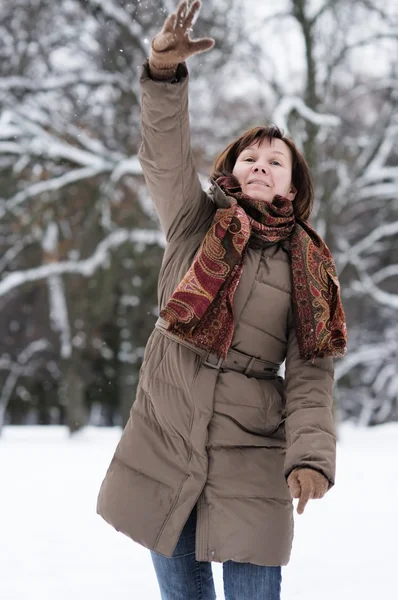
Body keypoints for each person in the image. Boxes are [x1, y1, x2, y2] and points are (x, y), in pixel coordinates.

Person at [97, 2, 347, 599]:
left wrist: (311, 456)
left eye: (275, 161)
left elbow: (312, 370)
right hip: (167, 435)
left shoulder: (309, 266)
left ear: (293, 185)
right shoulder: (195, 220)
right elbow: (162, 154)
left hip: (252, 451)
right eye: (249, 157)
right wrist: (163, 75)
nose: (260, 166)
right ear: (232, 169)